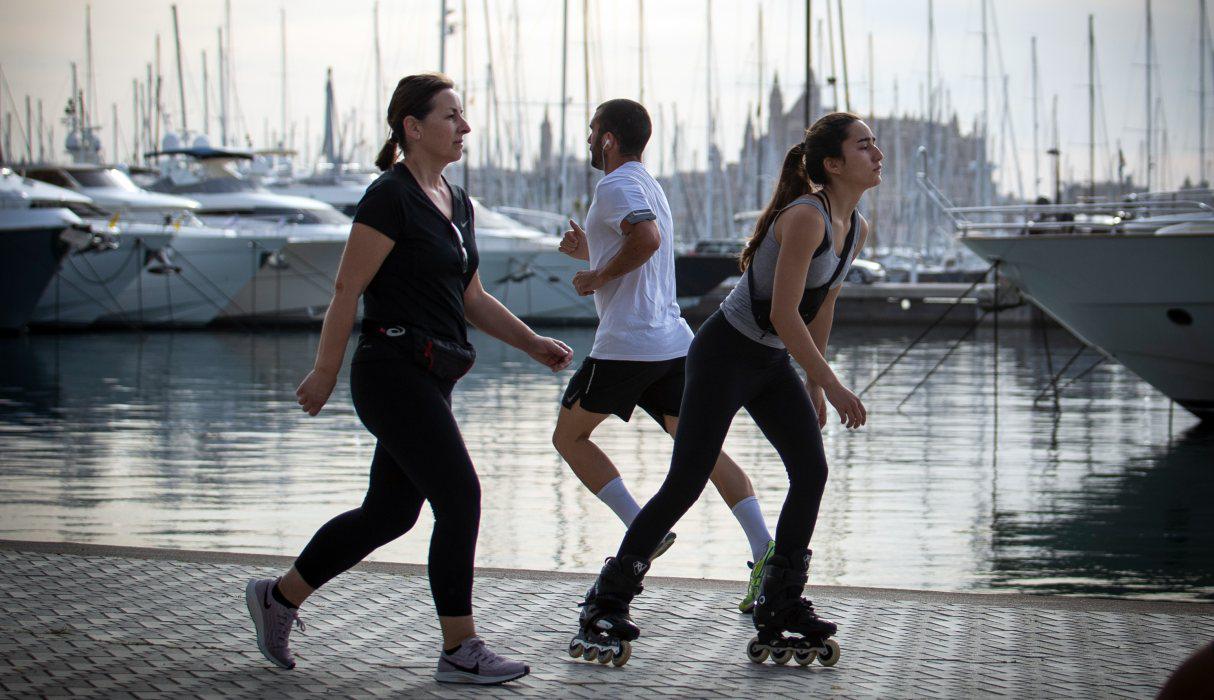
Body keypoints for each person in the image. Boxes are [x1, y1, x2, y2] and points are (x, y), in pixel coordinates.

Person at [244, 73, 573, 686]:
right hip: (390, 371)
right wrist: (322, 372)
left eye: (463, 115)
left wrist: (532, 345)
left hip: (434, 374)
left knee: (389, 514)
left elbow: (471, 295)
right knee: (461, 496)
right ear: (413, 128)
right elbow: (348, 286)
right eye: (451, 116)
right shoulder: (388, 197)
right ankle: (460, 649)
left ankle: (278, 598)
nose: (465, 127)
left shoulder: (458, 201)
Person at [568, 112, 876, 668]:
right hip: (724, 353)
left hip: (773, 360)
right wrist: (832, 385)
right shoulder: (806, 218)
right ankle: (607, 599)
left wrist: (811, 380)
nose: (877, 154)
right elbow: (784, 313)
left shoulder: (855, 226)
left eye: (874, 144)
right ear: (833, 164)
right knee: (687, 478)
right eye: (864, 145)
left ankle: (780, 601)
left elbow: (822, 305)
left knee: (812, 470)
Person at [552, 98, 775, 612]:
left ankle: (640, 527)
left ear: (608, 138)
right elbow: (640, 247)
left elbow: (646, 240)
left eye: (592, 131)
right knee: (700, 446)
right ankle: (765, 549)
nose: (589, 140)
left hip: (628, 345)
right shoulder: (648, 184)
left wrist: (594, 277)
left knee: (570, 435)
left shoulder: (616, 184)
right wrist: (590, 248)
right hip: (673, 343)